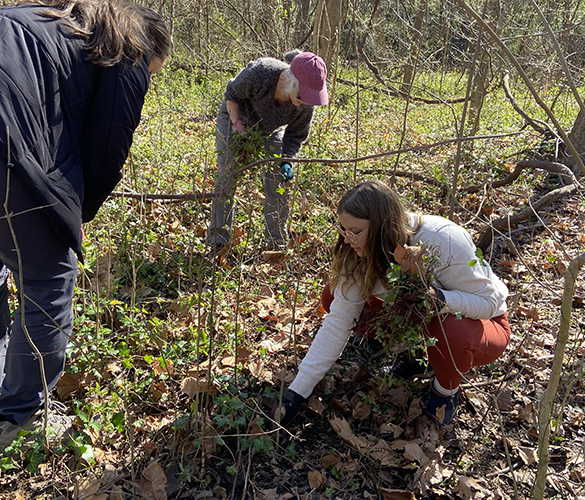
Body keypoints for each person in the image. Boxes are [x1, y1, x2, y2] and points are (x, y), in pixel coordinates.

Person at [0, 0, 171, 446]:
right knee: (49, 280)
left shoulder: (41, 20)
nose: (148, 79)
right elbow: (106, 151)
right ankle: (21, 416)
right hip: (6, 146)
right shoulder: (130, 49)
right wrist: (74, 218)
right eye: (154, 72)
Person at [272, 180, 511, 427]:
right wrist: (297, 392)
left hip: (484, 325)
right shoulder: (355, 252)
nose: (347, 240)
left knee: (452, 330)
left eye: (355, 232)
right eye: (343, 230)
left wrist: (440, 299)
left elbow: (490, 303)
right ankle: (413, 358)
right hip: (424, 320)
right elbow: (337, 324)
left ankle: (444, 392)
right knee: (332, 296)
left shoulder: (442, 240)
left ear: (381, 226)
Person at [208, 50, 328, 257]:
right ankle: (219, 242)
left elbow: (295, 135)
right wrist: (238, 127)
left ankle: (276, 244)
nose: (306, 101)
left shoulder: (305, 106)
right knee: (227, 175)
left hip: (270, 130)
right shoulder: (261, 72)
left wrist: (287, 161)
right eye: (303, 94)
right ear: (292, 79)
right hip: (234, 119)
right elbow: (232, 95)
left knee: (277, 181)